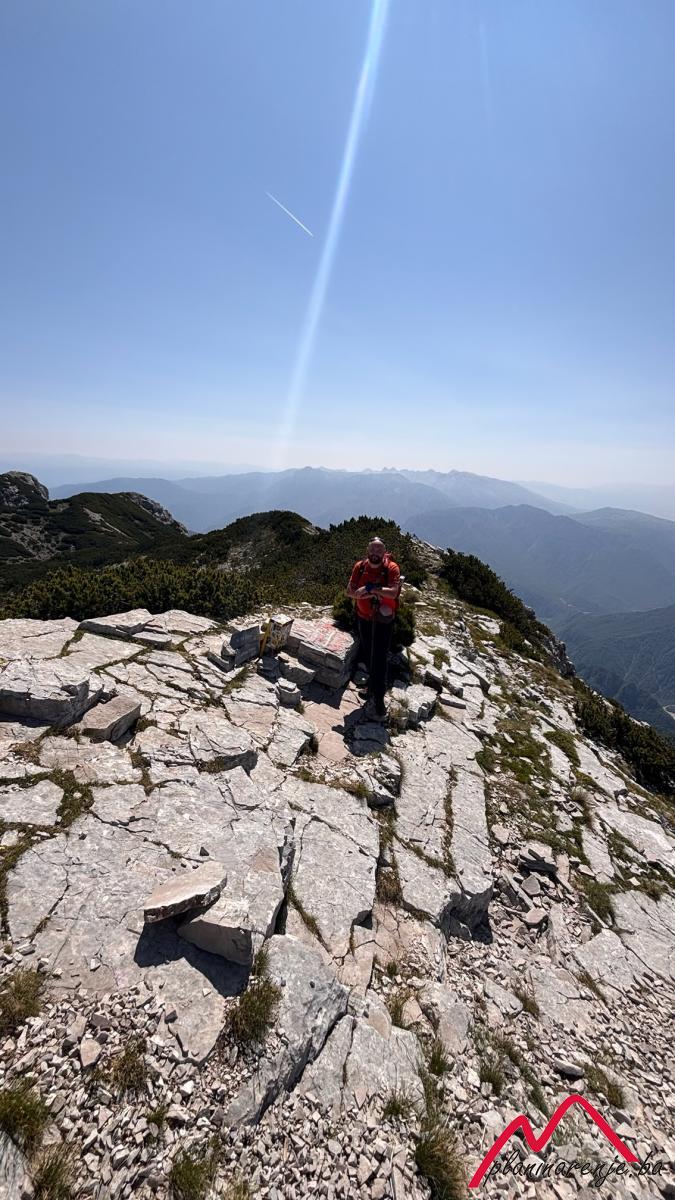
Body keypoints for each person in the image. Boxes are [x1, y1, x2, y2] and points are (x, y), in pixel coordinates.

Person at [346, 537, 401, 719]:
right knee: (369, 654)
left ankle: (379, 701)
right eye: (373, 549)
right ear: (367, 551)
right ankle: (371, 687)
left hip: (383, 622)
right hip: (363, 618)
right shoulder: (360, 567)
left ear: (384, 552)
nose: (375, 553)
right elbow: (350, 591)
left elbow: (393, 592)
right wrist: (364, 594)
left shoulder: (391, 568)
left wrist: (369, 589)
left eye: (379, 549)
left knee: (379, 658)